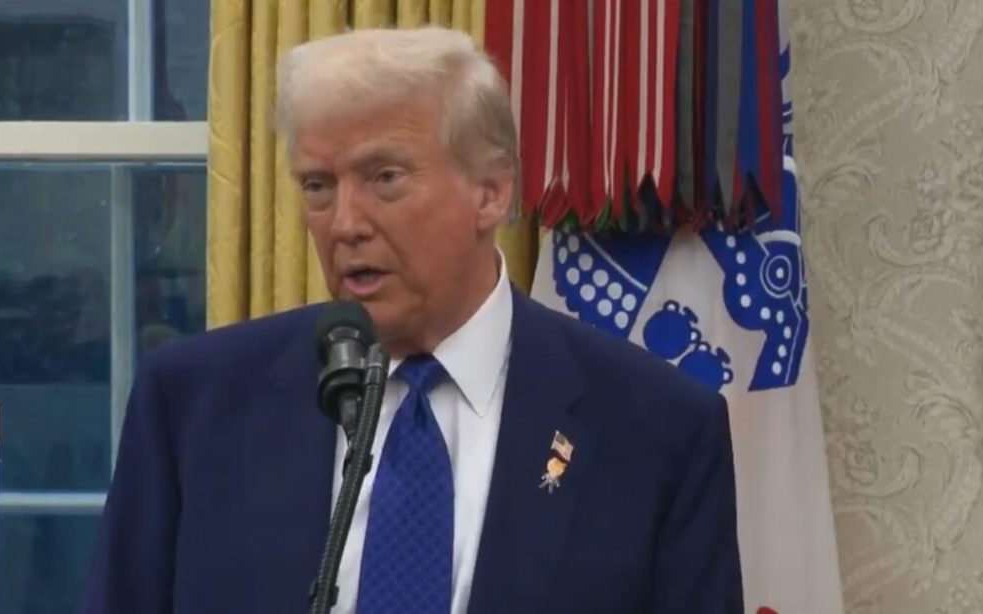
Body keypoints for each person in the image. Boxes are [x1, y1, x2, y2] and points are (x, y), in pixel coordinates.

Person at [82, 27, 742, 614]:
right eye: (318, 186)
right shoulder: (194, 404)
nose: (345, 224)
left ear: (491, 191)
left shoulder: (655, 428)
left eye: (385, 178)